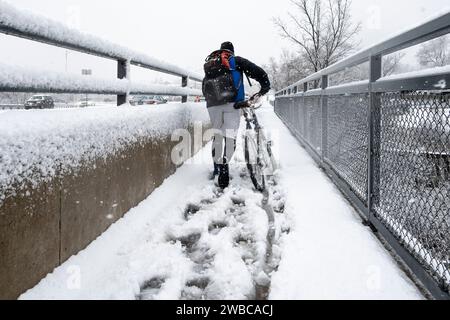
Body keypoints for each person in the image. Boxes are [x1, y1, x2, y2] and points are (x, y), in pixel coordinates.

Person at [202, 41, 271, 189]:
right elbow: (257, 71)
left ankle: (218, 169)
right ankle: (225, 164)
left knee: (218, 135)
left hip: (212, 105)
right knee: (230, 136)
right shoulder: (235, 61)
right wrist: (265, 86)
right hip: (232, 104)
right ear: (232, 51)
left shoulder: (212, 63)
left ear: (221, 50)